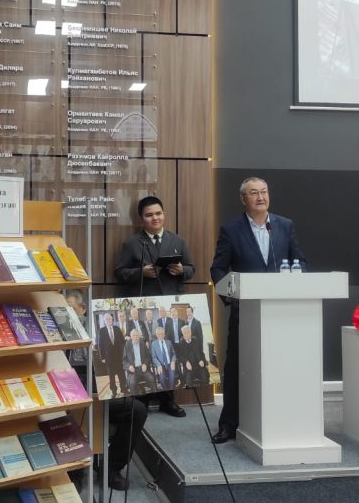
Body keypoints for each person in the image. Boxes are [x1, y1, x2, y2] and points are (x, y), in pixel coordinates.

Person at [210, 176, 307, 443]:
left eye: (264, 191)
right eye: (254, 193)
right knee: (236, 366)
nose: (261, 197)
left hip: (280, 312)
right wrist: (232, 298)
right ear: (243, 199)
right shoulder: (231, 230)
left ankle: (281, 419)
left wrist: (297, 278)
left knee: (281, 365)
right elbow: (218, 269)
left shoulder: (284, 225)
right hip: (246, 311)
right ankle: (229, 424)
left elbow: (300, 261)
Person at [65, 291, 147, 491]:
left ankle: (110, 467)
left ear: (83, 309)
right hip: (68, 391)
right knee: (69, 412)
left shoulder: (97, 331)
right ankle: (74, 471)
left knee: (137, 410)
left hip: (99, 389)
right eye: (64, 311)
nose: (68, 315)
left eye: (72, 309)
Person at [114, 195, 195, 297]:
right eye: (149, 215)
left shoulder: (178, 241)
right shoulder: (131, 243)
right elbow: (119, 273)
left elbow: (191, 269)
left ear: (163, 214)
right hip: (146, 299)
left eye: (158, 213)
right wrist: (141, 272)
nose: (155, 218)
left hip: (172, 298)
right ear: (141, 219)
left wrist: (182, 270)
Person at [178, 325, 213, 404]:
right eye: (185, 333)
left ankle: (205, 397)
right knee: (188, 382)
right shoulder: (181, 343)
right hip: (189, 368)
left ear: (191, 332)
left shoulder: (196, 340)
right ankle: (192, 399)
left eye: (188, 332)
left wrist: (202, 360)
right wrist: (186, 362)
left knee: (205, 378)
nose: (187, 334)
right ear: (182, 334)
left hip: (198, 366)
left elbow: (201, 353)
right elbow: (180, 356)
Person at [97, 312, 127, 397]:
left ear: (112, 319)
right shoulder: (101, 331)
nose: (109, 320)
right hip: (108, 357)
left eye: (110, 318)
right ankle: (113, 390)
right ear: (104, 321)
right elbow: (100, 345)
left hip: (119, 356)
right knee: (111, 375)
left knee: (121, 373)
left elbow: (122, 342)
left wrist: (123, 354)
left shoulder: (117, 328)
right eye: (107, 319)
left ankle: (123, 388)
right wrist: (102, 357)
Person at [122, 329, 157, 397]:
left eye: (137, 335)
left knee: (151, 378)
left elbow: (148, 357)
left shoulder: (142, 343)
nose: (135, 337)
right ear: (131, 337)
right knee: (132, 382)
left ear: (139, 336)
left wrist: (145, 364)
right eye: (134, 336)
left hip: (143, 369)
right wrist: (129, 366)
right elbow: (124, 360)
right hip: (133, 370)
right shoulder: (127, 345)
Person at [150, 326, 177, 395]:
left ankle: (171, 391)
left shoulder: (169, 342)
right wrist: (158, 365)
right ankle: (165, 391)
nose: (161, 336)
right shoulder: (153, 344)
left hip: (170, 364)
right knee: (162, 379)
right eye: (159, 334)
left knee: (172, 377)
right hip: (161, 365)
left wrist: (173, 361)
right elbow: (153, 357)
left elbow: (174, 354)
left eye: (162, 334)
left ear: (164, 334)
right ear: (156, 335)